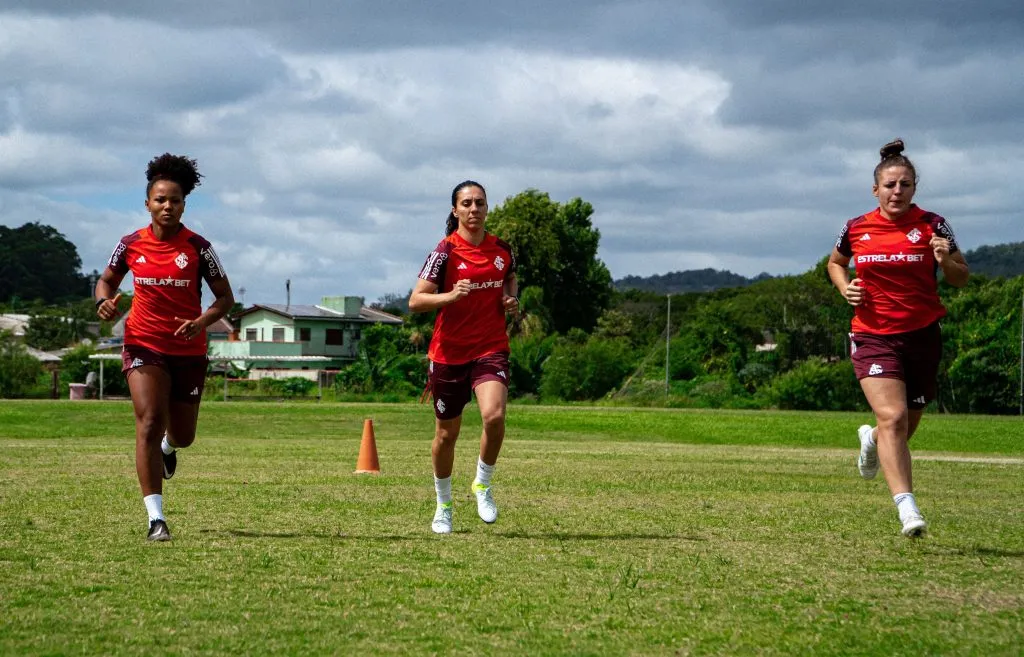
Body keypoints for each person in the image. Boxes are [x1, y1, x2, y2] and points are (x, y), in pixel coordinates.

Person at [827, 139, 969, 538]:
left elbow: (961, 276)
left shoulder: (933, 225)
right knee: (893, 417)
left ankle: (869, 440)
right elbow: (835, 264)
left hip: (922, 335)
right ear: (876, 189)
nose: (897, 191)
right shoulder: (856, 227)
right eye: (890, 184)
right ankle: (907, 508)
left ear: (914, 189)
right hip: (872, 335)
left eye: (905, 184)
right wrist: (845, 287)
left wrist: (945, 261)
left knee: (905, 424)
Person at [95, 153, 234, 542]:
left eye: (174, 200)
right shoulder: (129, 244)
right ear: (147, 203)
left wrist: (202, 323)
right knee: (149, 420)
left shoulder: (198, 248)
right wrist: (102, 302)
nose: (167, 206)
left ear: (184, 204)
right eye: (160, 200)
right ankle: (156, 518)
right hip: (143, 343)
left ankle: (169, 448)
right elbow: (105, 282)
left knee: (183, 434)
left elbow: (225, 299)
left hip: (188, 349)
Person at [409, 181, 519, 534]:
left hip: (490, 348)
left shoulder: (501, 249)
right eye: (467, 203)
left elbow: (509, 277)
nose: (474, 209)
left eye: (480, 203)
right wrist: (451, 296)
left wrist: (509, 299)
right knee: (446, 436)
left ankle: (482, 484)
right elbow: (416, 301)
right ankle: (443, 505)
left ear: (488, 209)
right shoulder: (444, 252)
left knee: (494, 415)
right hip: (449, 354)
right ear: (455, 210)